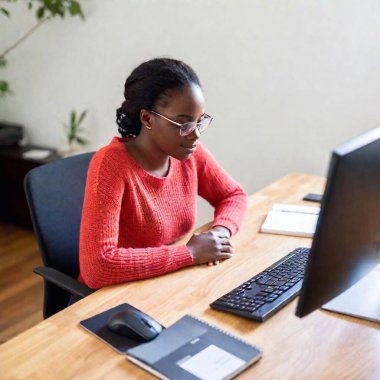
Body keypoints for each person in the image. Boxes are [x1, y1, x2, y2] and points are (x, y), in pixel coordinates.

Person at [79, 58, 248, 289]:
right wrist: (188, 253)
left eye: (200, 122)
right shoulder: (110, 166)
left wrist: (219, 234)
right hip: (114, 296)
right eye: (184, 124)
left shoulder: (189, 154)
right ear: (147, 118)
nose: (195, 134)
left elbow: (233, 195)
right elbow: (98, 267)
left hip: (169, 283)